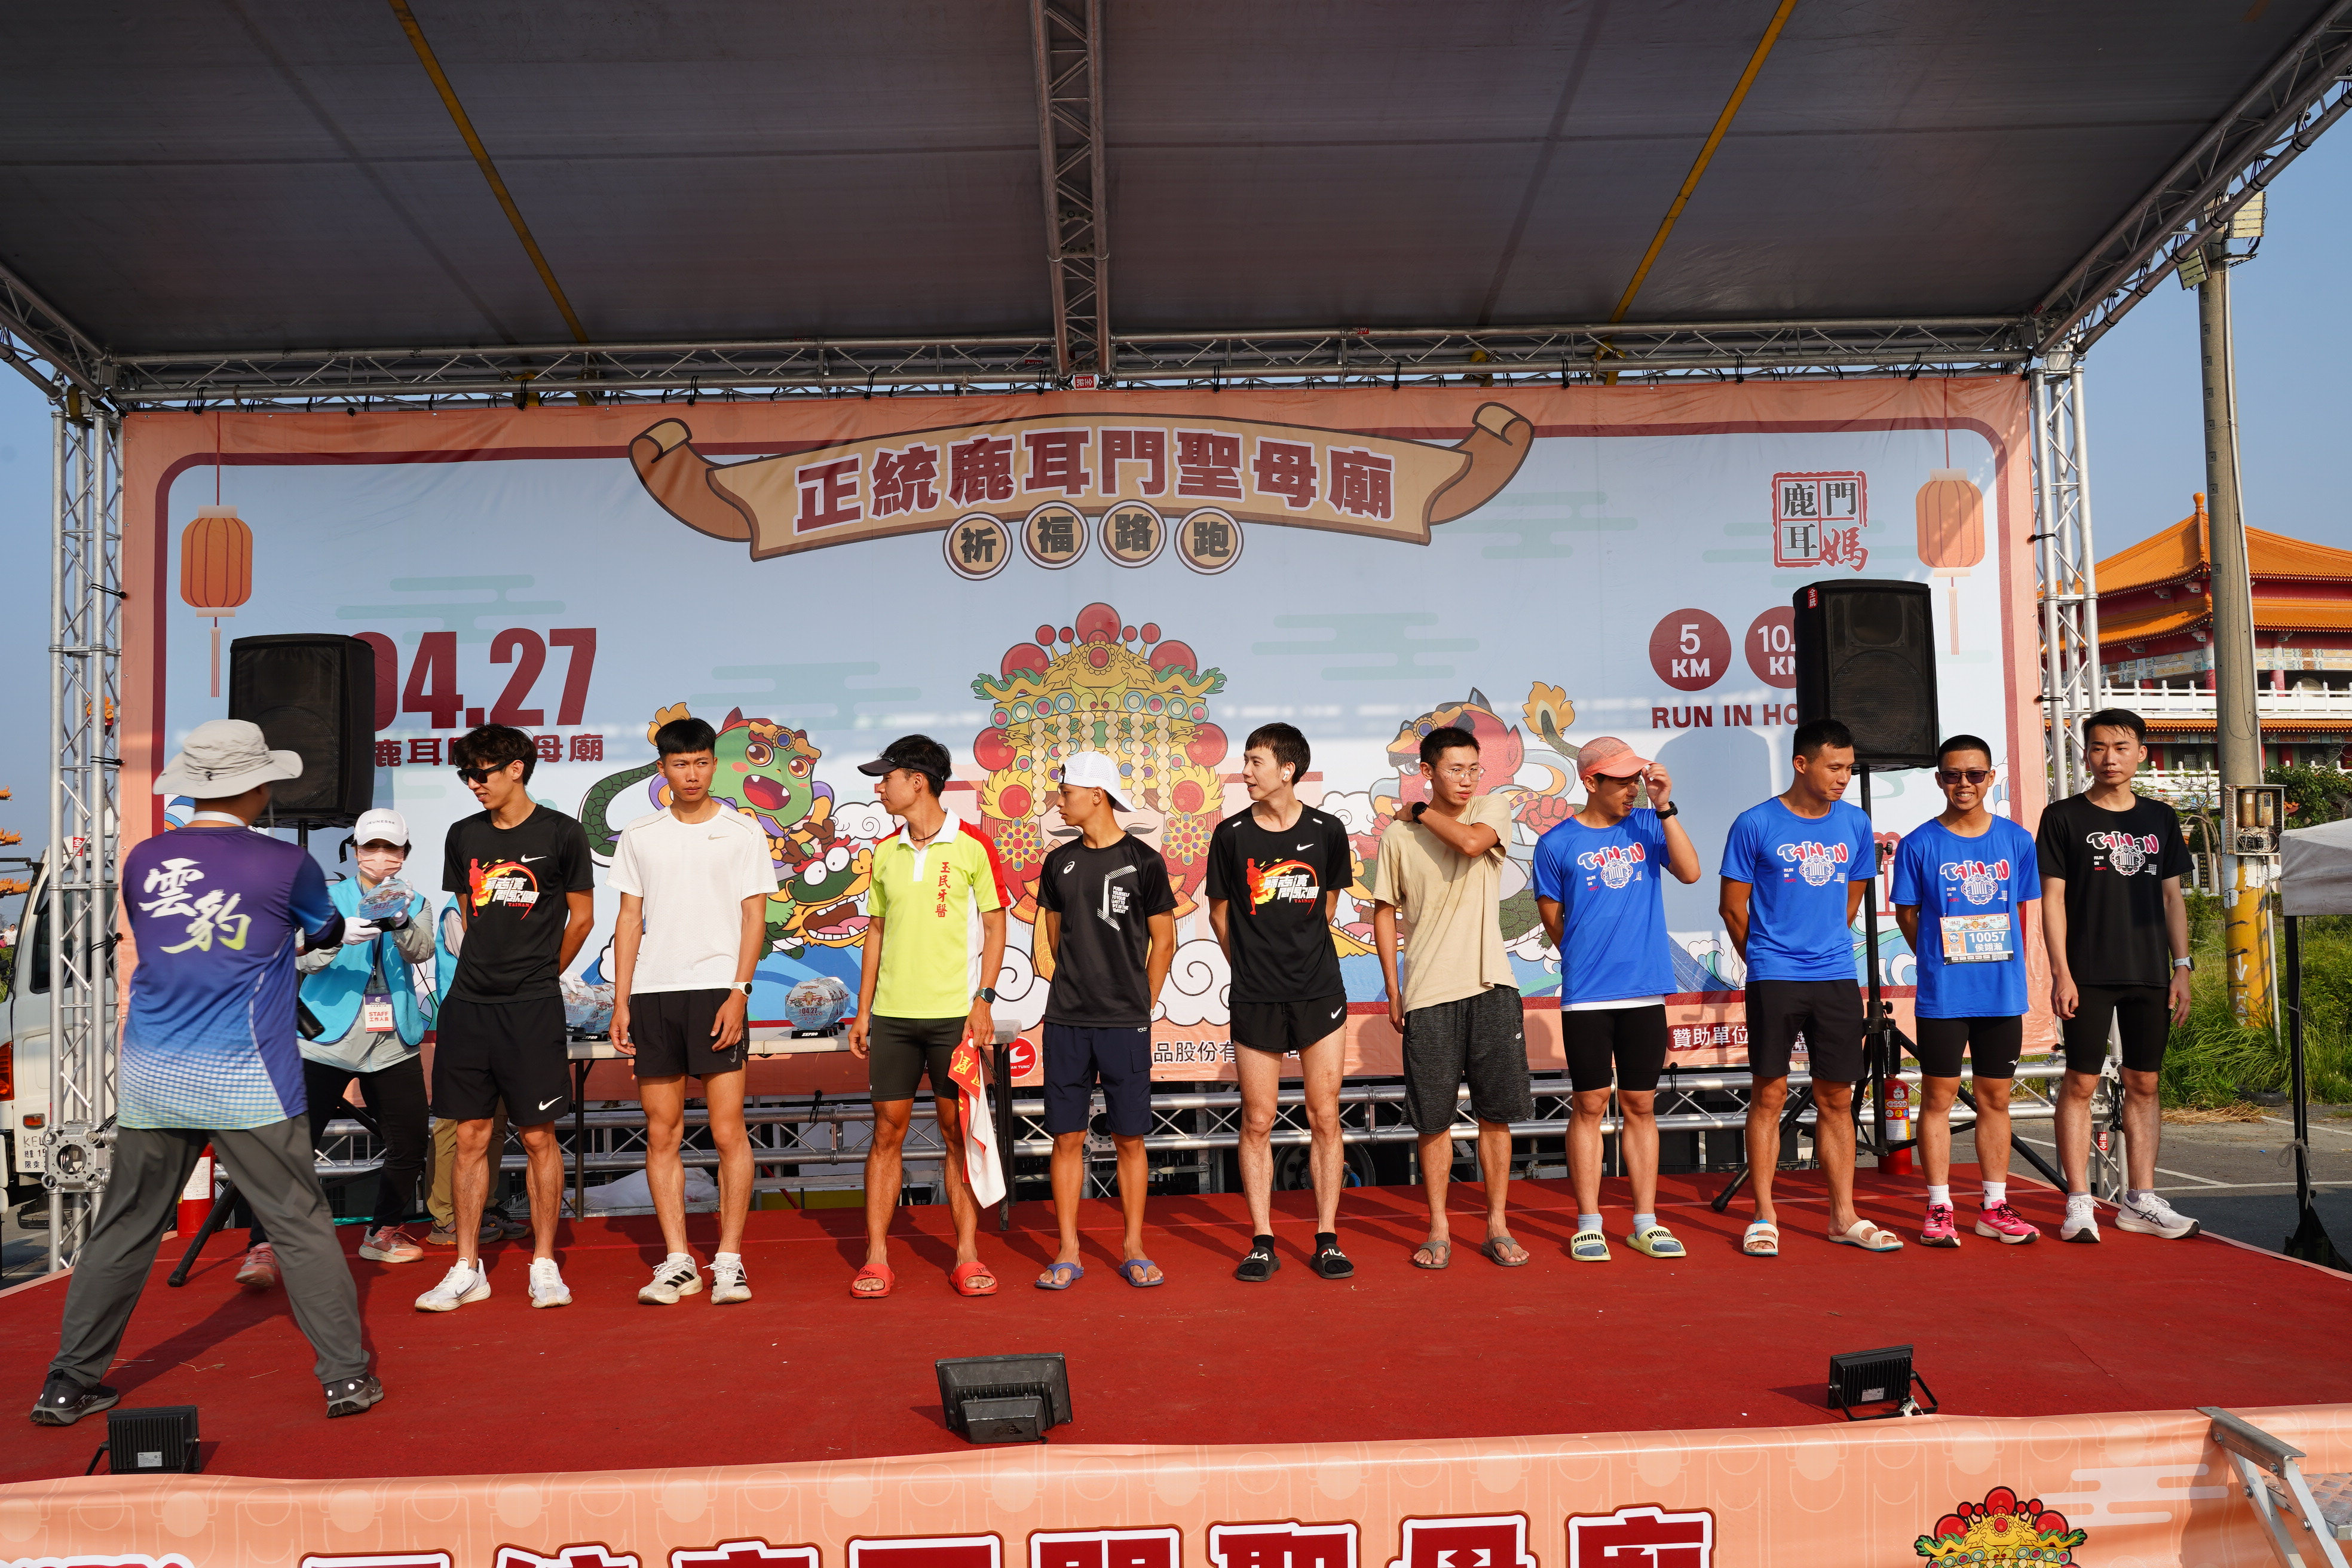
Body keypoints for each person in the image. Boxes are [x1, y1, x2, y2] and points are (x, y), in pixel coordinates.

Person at [32, 720, 382, 1425]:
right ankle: (346, 1377)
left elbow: (172, 941)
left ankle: (67, 1383)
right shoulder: (286, 863)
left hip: (154, 1072)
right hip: (249, 1076)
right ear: (258, 785)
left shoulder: (145, 859)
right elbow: (323, 930)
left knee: (125, 1226)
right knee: (299, 1223)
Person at [414, 724, 596, 1312]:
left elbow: (583, 918)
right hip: (468, 1006)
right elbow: (470, 914)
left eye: (482, 772)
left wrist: (541, 974)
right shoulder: (463, 834)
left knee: (539, 1135)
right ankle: (467, 1267)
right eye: (466, 774)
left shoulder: (562, 833)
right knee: (469, 1134)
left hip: (531, 1007)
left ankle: (544, 1263)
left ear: (516, 768)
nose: (473, 783)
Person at [608, 716, 779, 1304]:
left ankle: (729, 1260)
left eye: (701, 762)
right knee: (663, 1131)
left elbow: (754, 916)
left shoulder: (742, 831)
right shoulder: (640, 834)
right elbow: (629, 918)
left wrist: (740, 990)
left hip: (717, 991)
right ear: (663, 769)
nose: (692, 773)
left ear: (714, 764)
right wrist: (622, 1000)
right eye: (680, 764)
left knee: (728, 1129)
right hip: (654, 994)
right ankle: (678, 1260)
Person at [235, 808, 438, 1291]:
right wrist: (334, 936)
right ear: (356, 850)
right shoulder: (324, 899)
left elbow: (423, 951)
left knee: (411, 1141)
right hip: (323, 1041)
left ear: (405, 853)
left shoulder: (418, 900)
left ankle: (383, 1230)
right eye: (372, 847)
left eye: (391, 848)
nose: (381, 857)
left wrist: (400, 919)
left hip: (392, 1042)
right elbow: (297, 957)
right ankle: (265, 1245)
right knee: (290, 1145)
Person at [1719, 718, 1895, 1256]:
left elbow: (1852, 898)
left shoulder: (1855, 823)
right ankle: (1764, 1215)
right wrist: (1768, 959)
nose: (1843, 777)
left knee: (1837, 1096)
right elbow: (1733, 907)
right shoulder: (1755, 823)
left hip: (1836, 975)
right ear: (1802, 764)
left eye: (1849, 768)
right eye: (1834, 767)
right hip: (1774, 976)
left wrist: (1823, 946)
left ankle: (1843, 1216)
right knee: (1769, 1093)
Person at [844, 734, 1008, 1298]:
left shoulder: (973, 844)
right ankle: (876, 1257)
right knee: (885, 1133)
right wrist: (863, 1010)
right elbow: (876, 931)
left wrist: (983, 1000)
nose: (879, 788)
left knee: (955, 1135)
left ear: (918, 782)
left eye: (886, 778)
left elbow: (995, 926)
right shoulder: (885, 852)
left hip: (954, 1019)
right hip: (892, 1017)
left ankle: (967, 1255)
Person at [1531, 737, 1700, 1263]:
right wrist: (1590, 957)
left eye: (1636, 780)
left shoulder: (1649, 824)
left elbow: (1691, 872)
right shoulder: (1556, 843)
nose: (1633, 790)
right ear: (1591, 782)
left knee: (1641, 1104)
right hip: (1587, 996)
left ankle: (1645, 1222)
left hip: (1645, 991)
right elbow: (1553, 917)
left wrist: (1665, 806)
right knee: (1589, 1103)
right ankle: (1589, 1223)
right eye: (1622, 781)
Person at [1372, 724, 1532, 1270]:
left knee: (1496, 1116)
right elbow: (1385, 911)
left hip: (1492, 985)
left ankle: (1497, 1225)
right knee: (1433, 1120)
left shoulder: (1490, 809)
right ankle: (1438, 1227)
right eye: (1455, 769)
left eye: (1473, 769)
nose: (1467, 780)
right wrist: (1393, 988)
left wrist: (1418, 811)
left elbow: (1470, 843)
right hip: (1428, 990)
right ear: (1427, 772)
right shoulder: (1397, 838)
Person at [2035, 708, 2198, 1242]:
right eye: (2100, 747)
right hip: (2087, 970)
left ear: (2141, 754)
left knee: (2144, 1081)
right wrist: (2061, 972)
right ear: (2086, 755)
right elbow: (2052, 900)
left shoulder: (2160, 817)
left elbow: (2172, 898)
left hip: (2149, 969)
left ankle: (2140, 1200)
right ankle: (2078, 1201)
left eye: (2122, 747)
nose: (2110, 758)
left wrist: (2181, 966)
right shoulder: (2062, 817)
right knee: (2081, 1080)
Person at [1206, 722, 1357, 1282]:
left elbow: (1327, 905)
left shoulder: (1327, 830)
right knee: (1258, 1119)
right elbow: (1220, 913)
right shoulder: (1231, 835)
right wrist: (1249, 966)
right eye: (1246, 761)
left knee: (1325, 1114)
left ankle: (1327, 1238)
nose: (1245, 771)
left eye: (1256, 762)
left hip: (1319, 990)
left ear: (1287, 770)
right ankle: (1263, 1240)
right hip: (1256, 995)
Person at [1031, 751, 1177, 1289]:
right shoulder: (1058, 863)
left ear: (1097, 795)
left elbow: (1165, 942)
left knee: (1129, 1137)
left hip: (1124, 1023)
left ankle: (1133, 1246)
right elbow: (1055, 938)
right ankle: (1068, 1250)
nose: (1058, 801)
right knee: (1066, 1137)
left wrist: (1141, 1002)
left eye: (1066, 792)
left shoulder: (1145, 861)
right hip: (1066, 1020)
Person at [1889, 737, 2043, 1246]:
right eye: (1953, 775)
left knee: (1995, 1099)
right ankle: (1939, 1206)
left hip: (2001, 993)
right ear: (1939, 780)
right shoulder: (1919, 843)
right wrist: (1937, 955)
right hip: (1944, 995)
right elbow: (1908, 915)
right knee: (1937, 1097)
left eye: (1975, 775)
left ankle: (1994, 1205)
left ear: (1990, 778)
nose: (1964, 784)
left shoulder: (2017, 841)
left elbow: (2020, 910)